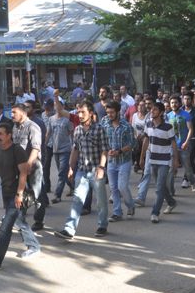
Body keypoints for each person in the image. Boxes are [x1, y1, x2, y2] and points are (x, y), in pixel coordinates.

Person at [0, 123, 39, 270]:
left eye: (0, 134)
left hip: (17, 194)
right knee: (19, 221)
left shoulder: (17, 150)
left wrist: (19, 194)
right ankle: (34, 245)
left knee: (6, 227)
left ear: (9, 135)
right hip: (6, 194)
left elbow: (23, 173)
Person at [54, 100, 109, 239]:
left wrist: (102, 167)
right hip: (82, 170)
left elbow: (104, 150)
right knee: (77, 199)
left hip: (96, 170)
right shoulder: (77, 129)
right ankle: (69, 229)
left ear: (91, 113)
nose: (80, 114)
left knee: (101, 201)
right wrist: (71, 168)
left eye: (83, 112)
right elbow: (75, 149)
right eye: (78, 112)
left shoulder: (99, 129)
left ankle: (102, 225)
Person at [139, 102, 178, 223]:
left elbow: (173, 144)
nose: (152, 111)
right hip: (152, 160)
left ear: (161, 113)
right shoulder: (148, 124)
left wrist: (175, 160)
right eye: (152, 109)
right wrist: (142, 157)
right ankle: (171, 202)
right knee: (160, 187)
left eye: (155, 110)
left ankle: (155, 213)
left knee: (159, 188)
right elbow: (146, 141)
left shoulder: (168, 127)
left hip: (165, 161)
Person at [11, 103, 45, 231]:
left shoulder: (33, 127)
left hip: (33, 165)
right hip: (20, 166)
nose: (12, 115)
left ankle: (39, 220)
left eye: (14, 112)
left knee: (37, 195)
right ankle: (20, 220)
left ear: (23, 113)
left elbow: (36, 148)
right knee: (21, 193)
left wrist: (29, 165)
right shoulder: (15, 127)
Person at [101, 101, 136, 222]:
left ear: (117, 112)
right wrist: (107, 151)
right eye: (107, 112)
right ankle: (117, 212)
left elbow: (133, 143)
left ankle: (131, 205)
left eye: (111, 112)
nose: (109, 115)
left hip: (124, 161)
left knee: (122, 187)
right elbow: (101, 139)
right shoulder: (104, 123)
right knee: (113, 188)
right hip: (111, 161)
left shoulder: (126, 126)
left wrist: (120, 151)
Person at [48, 95, 74, 203]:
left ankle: (57, 195)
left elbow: (71, 132)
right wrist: (44, 145)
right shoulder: (51, 119)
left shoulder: (67, 119)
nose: (57, 108)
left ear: (62, 106)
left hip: (66, 149)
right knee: (62, 172)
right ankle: (73, 186)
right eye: (55, 106)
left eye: (59, 105)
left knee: (61, 172)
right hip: (55, 149)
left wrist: (74, 146)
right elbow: (48, 133)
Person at [167, 95, 195, 192]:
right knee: (171, 169)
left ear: (179, 103)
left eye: (175, 102)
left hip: (184, 146)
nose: (173, 104)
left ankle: (192, 183)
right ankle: (171, 190)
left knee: (187, 167)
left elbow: (191, 129)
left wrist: (187, 142)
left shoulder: (186, 115)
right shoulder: (168, 116)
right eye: (172, 103)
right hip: (172, 146)